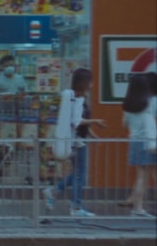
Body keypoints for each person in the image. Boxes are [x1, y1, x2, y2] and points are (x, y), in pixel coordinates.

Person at [44, 68, 105, 217]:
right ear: (84, 83)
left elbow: (77, 124)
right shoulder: (79, 99)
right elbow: (77, 122)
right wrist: (95, 121)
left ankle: (53, 191)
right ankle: (76, 207)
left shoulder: (73, 98)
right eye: (90, 81)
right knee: (80, 175)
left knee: (78, 173)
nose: (92, 84)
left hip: (76, 141)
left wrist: (92, 135)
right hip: (77, 143)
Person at [120, 73, 155, 218]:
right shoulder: (151, 102)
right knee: (147, 175)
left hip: (134, 142)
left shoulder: (127, 106)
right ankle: (138, 208)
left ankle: (137, 207)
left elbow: (124, 124)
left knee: (141, 175)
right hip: (148, 142)